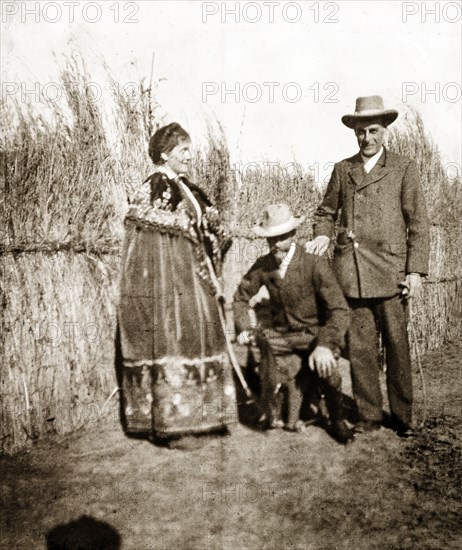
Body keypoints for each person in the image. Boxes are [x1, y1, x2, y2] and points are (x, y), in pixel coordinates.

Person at [306, 96, 430, 437]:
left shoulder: (404, 167)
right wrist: (322, 236)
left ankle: (403, 417)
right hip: (352, 273)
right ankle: (369, 415)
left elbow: (417, 222)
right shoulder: (343, 170)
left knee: (397, 349)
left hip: (391, 274)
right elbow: (325, 213)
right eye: (361, 132)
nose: (367, 138)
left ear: (385, 131)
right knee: (360, 350)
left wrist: (415, 271)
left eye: (373, 131)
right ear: (355, 133)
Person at [117, 122, 237, 448]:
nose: (189, 155)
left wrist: (214, 233)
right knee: (175, 343)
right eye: (183, 150)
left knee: (200, 339)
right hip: (169, 286)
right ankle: (174, 426)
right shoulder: (155, 187)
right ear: (165, 153)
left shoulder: (187, 188)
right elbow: (144, 242)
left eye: (189, 149)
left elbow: (211, 228)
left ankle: (203, 418)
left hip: (196, 283)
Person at [233, 203, 354, 444]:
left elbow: (339, 309)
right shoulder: (263, 265)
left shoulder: (313, 264)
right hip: (283, 336)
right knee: (251, 350)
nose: (274, 244)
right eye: (270, 238)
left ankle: (337, 419)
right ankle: (271, 407)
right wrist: (245, 328)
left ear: (293, 235)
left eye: (280, 238)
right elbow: (240, 297)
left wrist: (325, 344)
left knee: (327, 367)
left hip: (313, 335)